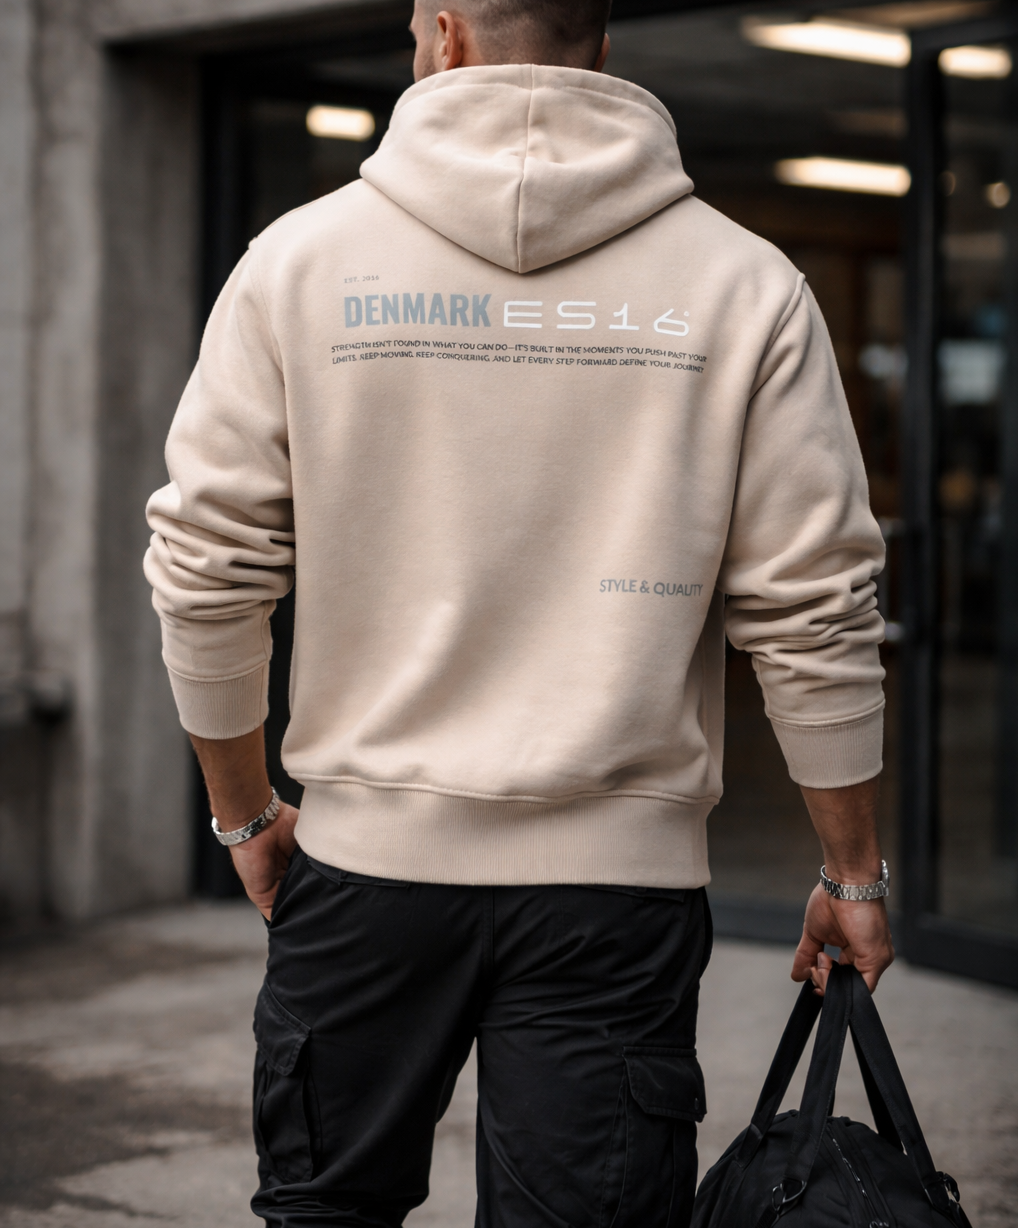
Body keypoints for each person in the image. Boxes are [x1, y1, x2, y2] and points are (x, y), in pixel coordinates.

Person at [144, 0, 895, 1223]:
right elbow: (815, 607)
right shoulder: (744, 283)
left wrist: (244, 814)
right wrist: (851, 872)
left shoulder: (298, 262)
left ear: (441, 35)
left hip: (365, 872)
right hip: (616, 894)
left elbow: (207, 564)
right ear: (599, 45)